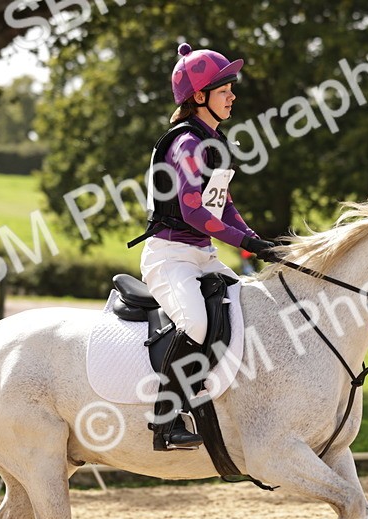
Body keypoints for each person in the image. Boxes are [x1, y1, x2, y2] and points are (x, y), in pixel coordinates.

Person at [129, 41, 278, 451]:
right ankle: (165, 418)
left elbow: (223, 208)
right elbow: (195, 213)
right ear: (200, 96)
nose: (233, 95)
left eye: (232, 88)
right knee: (196, 323)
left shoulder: (212, 143)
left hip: (203, 256)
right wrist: (245, 241)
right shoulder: (187, 145)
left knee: (252, 313)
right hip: (170, 256)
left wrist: (259, 245)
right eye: (225, 89)